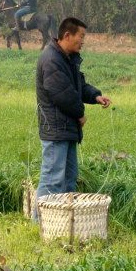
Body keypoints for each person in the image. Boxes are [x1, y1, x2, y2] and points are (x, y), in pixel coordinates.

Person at [33, 17, 112, 219]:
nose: (83, 41)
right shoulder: (51, 59)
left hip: (66, 129)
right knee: (52, 180)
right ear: (67, 35)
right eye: (81, 36)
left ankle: (61, 221)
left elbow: (78, 86)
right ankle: (40, 222)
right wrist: (80, 113)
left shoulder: (67, 58)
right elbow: (63, 95)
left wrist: (95, 96)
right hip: (56, 129)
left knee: (68, 179)